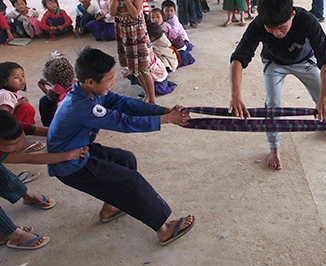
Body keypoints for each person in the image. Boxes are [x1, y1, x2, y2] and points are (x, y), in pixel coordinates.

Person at [46, 47, 194, 246]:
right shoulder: (82, 106)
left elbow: (124, 104)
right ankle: (164, 228)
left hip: (82, 148)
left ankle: (111, 207)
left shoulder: (87, 91)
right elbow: (123, 122)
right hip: (70, 164)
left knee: (126, 160)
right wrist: (167, 119)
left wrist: (164, 110)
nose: (113, 82)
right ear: (90, 82)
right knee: (131, 181)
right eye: (109, 79)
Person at [229, 0, 326, 170]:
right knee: (272, 105)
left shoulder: (307, 20)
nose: (277, 34)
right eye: (270, 29)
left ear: (293, 14)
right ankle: (274, 147)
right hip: (274, 63)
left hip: (304, 61)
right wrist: (235, 94)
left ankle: (325, 123)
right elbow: (238, 58)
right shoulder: (258, 24)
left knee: (323, 96)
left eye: (282, 28)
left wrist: (325, 96)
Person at [0, 111, 89, 250]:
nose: (19, 146)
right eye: (12, 145)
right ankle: (14, 235)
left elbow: (37, 130)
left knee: (2, 174)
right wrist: (68, 155)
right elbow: (30, 158)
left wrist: (69, 136)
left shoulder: (9, 126)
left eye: (21, 139)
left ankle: (27, 195)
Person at [108, 0, 156, 104]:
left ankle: (152, 99)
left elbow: (135, 13)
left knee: (143, 67)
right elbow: (112, 12)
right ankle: (147, 93)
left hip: (137, 32)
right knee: (134, 68)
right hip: (124, 33)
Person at [38, 52, 75, 127]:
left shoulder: (55, 91)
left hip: (60, 118)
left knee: (44, 101)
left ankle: (48, 125)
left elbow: (50, 96)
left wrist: (42, 86)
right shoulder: (76, 84)